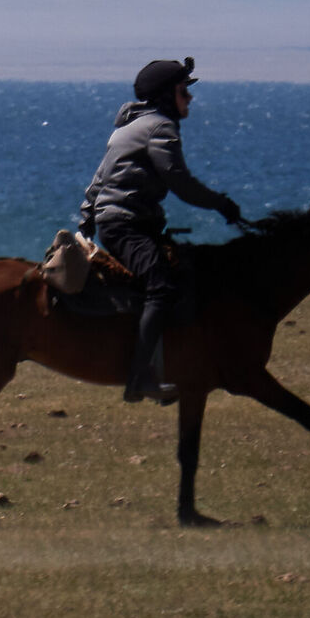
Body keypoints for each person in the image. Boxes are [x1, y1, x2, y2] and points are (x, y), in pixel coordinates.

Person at [77, 57, 247, 405]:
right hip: (126, 224)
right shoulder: (159, 128)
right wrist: (222, 204)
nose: (190, 98)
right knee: (161, 287)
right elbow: (180, 182)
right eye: (184, 91)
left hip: (118, 222)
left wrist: (88, 217)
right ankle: (140, 378)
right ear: (167, 96)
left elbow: (98, 180)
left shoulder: (129, 127)